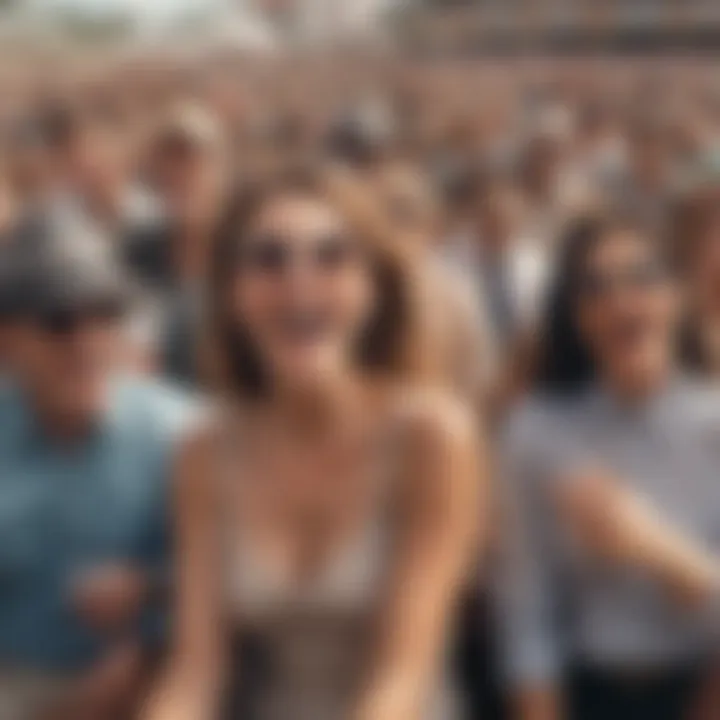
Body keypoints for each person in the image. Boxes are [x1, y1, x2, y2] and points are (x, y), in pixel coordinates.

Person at [144, 166, 486, 720]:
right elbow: (195, 673)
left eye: (332, 257)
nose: (299, 282)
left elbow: (401, 677)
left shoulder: (433, 436)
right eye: (268, 259)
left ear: (373, 289)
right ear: (232, 294)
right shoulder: (204, 449)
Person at [497, 217, 720, 720]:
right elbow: (528, 611)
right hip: (587, 692)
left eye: (641, 278)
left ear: (676, 297)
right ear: (577, 316)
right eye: (595, 288)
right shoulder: (537, 432)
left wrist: (654, 546)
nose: (620, 303)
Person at [0, 212, 194, 720]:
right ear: (8, 340)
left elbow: (246, 583)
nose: (85, 341)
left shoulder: (183, 435)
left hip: (159, 680)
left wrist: (153, 601)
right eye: (58, 321)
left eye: (105, 314)